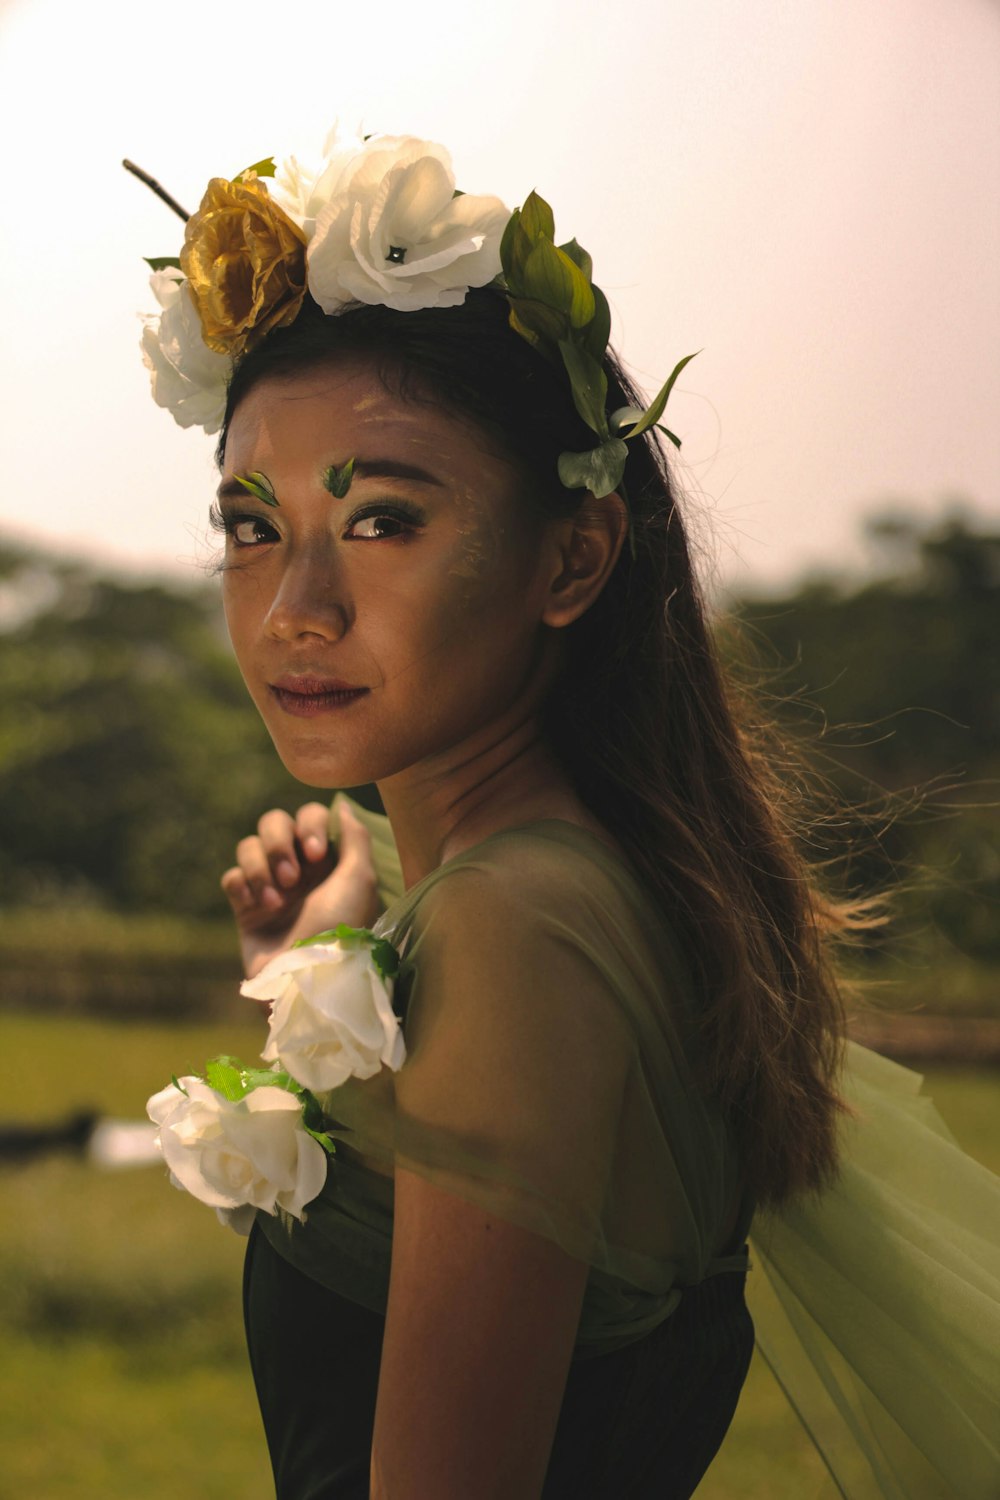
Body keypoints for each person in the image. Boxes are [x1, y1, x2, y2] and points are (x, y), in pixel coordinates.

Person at [137, 132, 999, 1499]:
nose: (294, 606)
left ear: (573, 556)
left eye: (380, 523)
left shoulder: (519, 922)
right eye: (252, 526)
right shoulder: (554, 890)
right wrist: (325, 960)